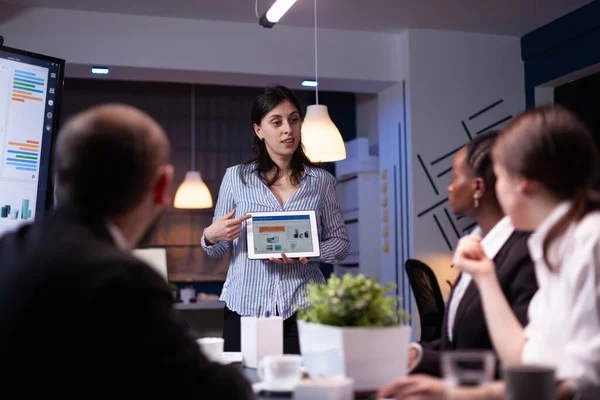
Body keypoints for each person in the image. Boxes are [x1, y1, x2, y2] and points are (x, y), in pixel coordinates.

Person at [0, 104, 254, 397]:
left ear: (58, 178)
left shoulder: (8, 252)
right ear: (161, 186)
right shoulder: (125, 281)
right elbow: (218, 392)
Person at [379, 105, 600, 400]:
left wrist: (455, 394)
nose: (497, 190)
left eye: (500, 177)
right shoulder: (549, 246)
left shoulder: (590, 240)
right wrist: (484, 276)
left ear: (523, 183)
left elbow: (574, 383)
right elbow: (525, 365)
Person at [201, 85, 350, 354]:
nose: (288, 129)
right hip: (246, 307)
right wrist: (212, 235)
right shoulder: (236, 178)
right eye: (277, 121)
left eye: (294, 119)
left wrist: (307, 252)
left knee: (305, 388)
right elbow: (218, 249)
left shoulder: (321, 182)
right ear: (259, 130)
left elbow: (340, 244)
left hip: (305, 308)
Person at [409, 131, 537, 377]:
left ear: (478, 187)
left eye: (455, 177)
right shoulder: (476, 245)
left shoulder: (525, 254)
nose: (450, 186)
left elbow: (517, 358)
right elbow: (458, 344)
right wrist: (417, 355)